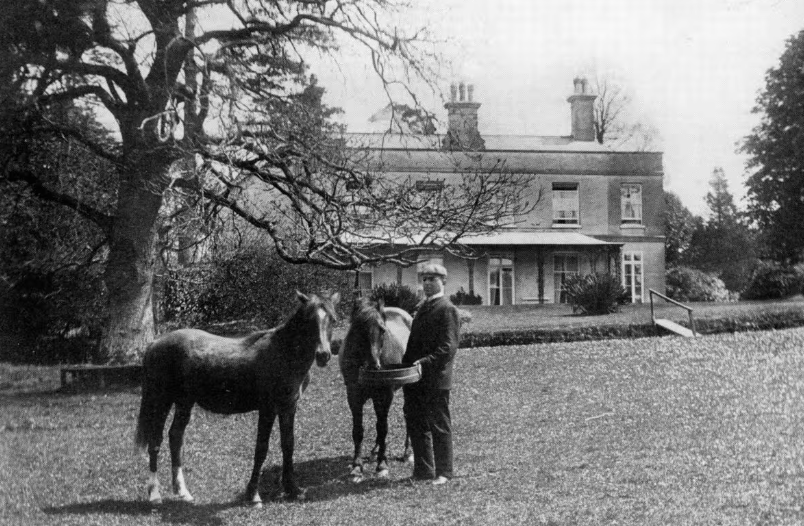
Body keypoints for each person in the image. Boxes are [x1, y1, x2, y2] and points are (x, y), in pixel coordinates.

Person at [402, 263, 460, 485]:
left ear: (443, 282)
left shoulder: (447, 309)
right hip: (415, 378)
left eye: (432, 279)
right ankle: (423, 470)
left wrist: (424, 363)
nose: (427, 283)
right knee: (416, 424)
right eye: (424, 279)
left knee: (439, 425)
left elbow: (448, 348)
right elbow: (412, 345)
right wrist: (403, 367)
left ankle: (444, 472)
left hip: (436, 379)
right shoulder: (422, 308)